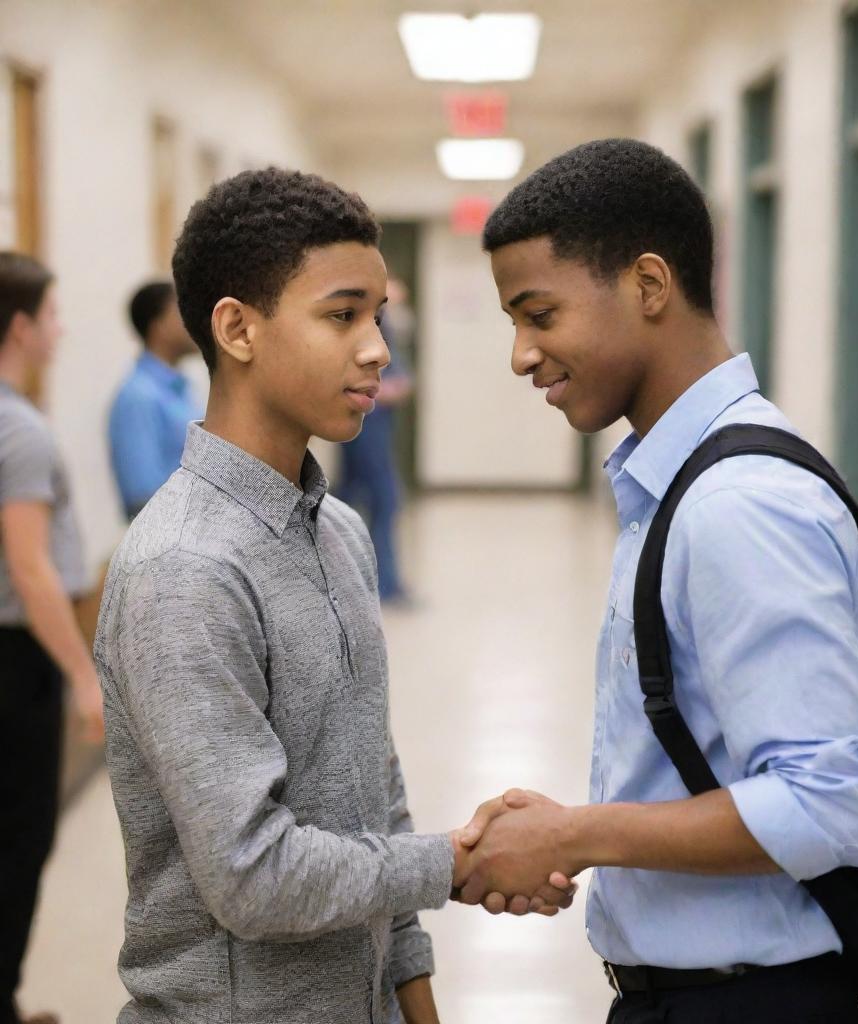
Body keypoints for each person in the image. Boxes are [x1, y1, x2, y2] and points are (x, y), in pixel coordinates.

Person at [93, 168, 571, 1024]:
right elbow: (251, 874)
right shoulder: (184, 569)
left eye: (378, 315)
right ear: (236, 328)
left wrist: (417, 1004)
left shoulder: (338, 532)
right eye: (342, 315)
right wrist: (459, 865)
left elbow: (374, 799)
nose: (378, 348)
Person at [455, 139, 858, 1023]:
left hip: (750, 1005)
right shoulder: (686, 481)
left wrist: (578, 834)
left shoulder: (738, 502)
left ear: (649, 285)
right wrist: (576, 829)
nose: (521, 353)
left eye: (539, 314)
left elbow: (833, 804)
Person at [0, 252, 105, 1024]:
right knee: (18, 842)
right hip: (13, 662)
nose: (61, 330)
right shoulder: (19, 430)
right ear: (21, 326)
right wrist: (82, 672)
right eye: (54, 315)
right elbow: (32, 570)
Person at [333, 306, 413, 603]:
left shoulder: (379, 326)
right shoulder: (356, 323)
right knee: (384, 499)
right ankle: (383, 585)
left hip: (374, 427)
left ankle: (378, 583)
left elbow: (401, 379)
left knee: (352, 501)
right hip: (366, 429)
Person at [108, 280, 203, 519]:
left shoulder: (181, 389)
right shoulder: (138, 396)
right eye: (182, 312)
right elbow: (143, 498)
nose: (195, 321)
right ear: (159, 326)